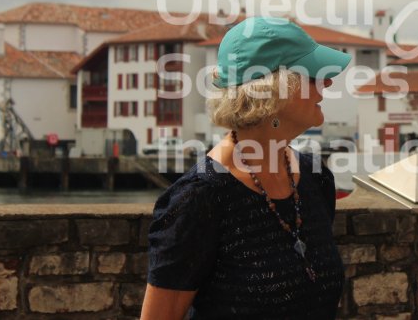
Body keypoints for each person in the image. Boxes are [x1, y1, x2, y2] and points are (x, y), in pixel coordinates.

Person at [141, 16, 350, 320]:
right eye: (315, 74)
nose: (327, 83)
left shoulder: (315, 179)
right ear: (275, 90)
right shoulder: (200, 198)